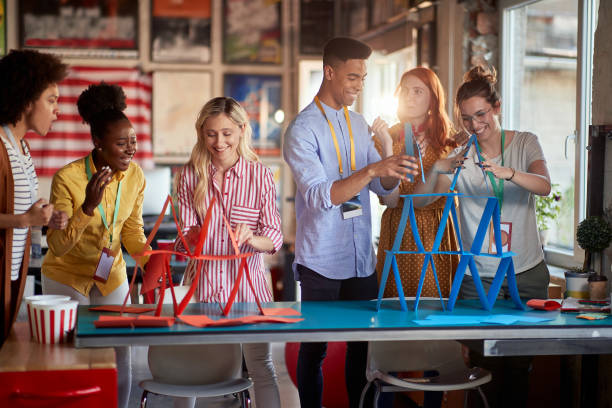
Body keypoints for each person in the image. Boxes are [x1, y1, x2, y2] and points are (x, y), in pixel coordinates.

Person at [283, 37, 418, 408]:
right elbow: (319, 195)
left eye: (363, 78)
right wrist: (374, 166)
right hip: (321, 261)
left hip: (361, 259)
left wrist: (389, 159)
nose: (360, 85)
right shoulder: (301, 129)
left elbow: (384, 191)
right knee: (315, 351)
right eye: (353, 76)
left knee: (362, 350)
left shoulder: (359, 124)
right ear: (329, 72)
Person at [414, 66, 551, 408]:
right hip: (479, 276)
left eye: (481, 114)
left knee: (519, 368)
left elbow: (544, 186)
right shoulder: (462, 157)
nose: (475, 125)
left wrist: (510, 173)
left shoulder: (524, 142)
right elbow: (421, 202)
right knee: (480, 371)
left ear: (497, 106)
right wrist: (435, 170)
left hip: (526, 272)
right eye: (466, 118)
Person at [42, 82, 150, 408]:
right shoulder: (68, 178)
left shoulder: (135, 177)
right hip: (67, 275)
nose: (130, 150)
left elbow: (132, 232)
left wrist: (151, 261)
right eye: (121, 143)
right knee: (69, 354)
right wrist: (87, 207)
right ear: (97, 143)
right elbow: (58, 245)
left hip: (111, 274)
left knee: (122, 353)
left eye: (133, 141)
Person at [175, 96, 282, 408]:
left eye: (226, 133)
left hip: (249, 289)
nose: (219, 142)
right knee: (191, 371)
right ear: (201, 134)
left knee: (261, 367)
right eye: (211, 134)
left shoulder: (260, 175)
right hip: (201, 289)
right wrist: (193, 237)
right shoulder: (189, 175)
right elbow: (183, 242)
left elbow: (274, 235)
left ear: (241, 131)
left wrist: (252, 238)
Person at [372, 66, 460, 299]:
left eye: (418, 91)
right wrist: (391, 153)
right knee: (394, 309)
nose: (409, 97)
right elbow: (388, 200)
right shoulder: (384, 139)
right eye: (405, 91)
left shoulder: (447, 141)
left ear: (433, 98)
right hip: (398, 228)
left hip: (437, 231)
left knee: (435, 311)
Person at [0, 49, 68, 345]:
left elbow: (20, 213)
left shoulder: (22, 149)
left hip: (14, 276)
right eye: (51, 100)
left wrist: (44, 218)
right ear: (26, 100)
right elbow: (18, 217)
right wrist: (25, 218)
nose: (58, 111)